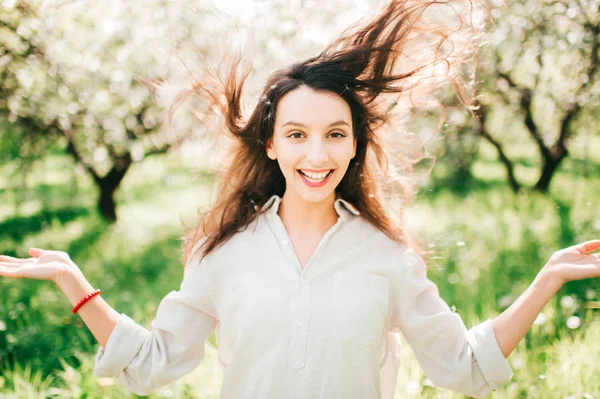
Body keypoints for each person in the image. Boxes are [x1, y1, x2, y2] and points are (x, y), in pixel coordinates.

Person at [1, 0, 599, 398]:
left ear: (356, 145)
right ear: (270, 143)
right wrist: (73, 283)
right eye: (297, 134)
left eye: (335, 134)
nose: (317, 154)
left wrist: (546, 279)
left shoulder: (387, 257)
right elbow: (156, 361)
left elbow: (462, 367)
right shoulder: (223, 252)